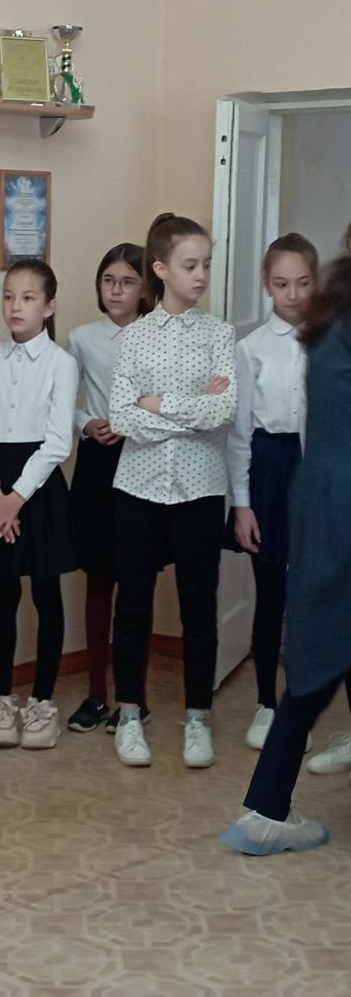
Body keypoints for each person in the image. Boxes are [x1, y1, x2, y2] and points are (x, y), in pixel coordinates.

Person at [221, 255, 351, 853]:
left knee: (322, 656)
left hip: (321, 504)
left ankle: (267, 810)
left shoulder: (331, 323)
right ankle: (266, 813)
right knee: (319, 665)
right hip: (339, 507)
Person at [108, 214, 237, 768]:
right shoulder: (134, 337)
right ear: (160, 270)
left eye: (206, 263)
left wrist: (157, 405)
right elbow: (121, 417)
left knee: (199, 607)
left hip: (200, 490)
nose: (201, 274)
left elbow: (223, 411)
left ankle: (197, 718)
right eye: (190, 265)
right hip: (137, 489)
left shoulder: (220, 335)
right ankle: (129, 715)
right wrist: (189, 410)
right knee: (133, 605)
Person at [0, 260, 79, 750]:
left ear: (49, 306)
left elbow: (58, 442)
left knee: (46, 595)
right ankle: (1, 699)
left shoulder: (61, 364)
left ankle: (43, 702)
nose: (16, 306)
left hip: (38, 486)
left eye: (28, 297)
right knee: (2, 594)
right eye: (9, 296)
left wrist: (16, 499)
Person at [225, 234, 319, 749]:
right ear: (267, 284)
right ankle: (266, 704)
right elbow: (240, 433)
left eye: (303, 283)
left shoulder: (330, 341)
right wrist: (242, 504)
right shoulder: (251, 348)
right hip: (268, 468)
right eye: (282, 284)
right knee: (270, 595)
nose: (293, 294)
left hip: (315, 471)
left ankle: (302, 706)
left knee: (309, 598)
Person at [64, 243, 152, 733]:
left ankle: (134, 700)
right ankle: (96, 693)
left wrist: (133, 422)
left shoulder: (158, 335)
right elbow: (64, 401)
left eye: (127, 282)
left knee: (136, 582)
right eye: (108, 281)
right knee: (98, 578)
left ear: (145, 288)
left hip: (143, 459)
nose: (116, 291)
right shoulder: (82, 338)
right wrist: (86, 423)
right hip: (98, 463)